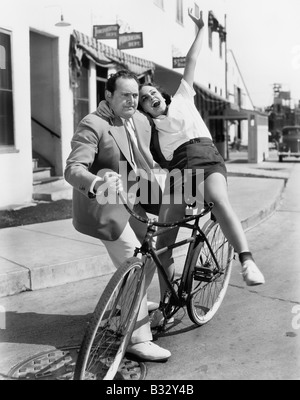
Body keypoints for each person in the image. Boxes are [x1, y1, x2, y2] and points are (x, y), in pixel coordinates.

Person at [98, 10, 265, 327]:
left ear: (162, 94)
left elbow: (191, 60)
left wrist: (201, 29)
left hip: (203, 156)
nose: (150, 99)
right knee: (164, 241)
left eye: (152, 94)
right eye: (145, 100)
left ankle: (246, 260)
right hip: (179, 173)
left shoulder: (184, 98)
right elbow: (139, 149)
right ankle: (166, 303)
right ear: (145, 109)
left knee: (217, 200)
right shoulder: (153, 130)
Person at [64, 70, 171, 361]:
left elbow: (148, 157)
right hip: (105, 204)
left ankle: (125, 309)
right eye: (125, 95)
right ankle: (138, 338)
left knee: (151, 250)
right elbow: (73, 169)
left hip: (133, 201)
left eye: (135, 95)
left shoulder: (138, 120)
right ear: (108, 96)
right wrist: (97, 183)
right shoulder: (93, 124)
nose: (132, 100)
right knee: (133, 259)